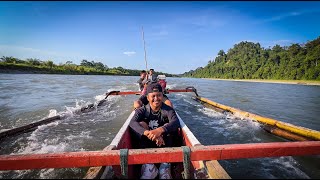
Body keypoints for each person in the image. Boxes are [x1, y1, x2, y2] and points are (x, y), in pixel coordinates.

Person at [129, 83, 181, 179]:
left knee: (168, 126)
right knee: (141, 125)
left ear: (162, 96)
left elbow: (176, 122)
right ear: (147, 98)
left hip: (165, 144)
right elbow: (132, 123)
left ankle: (165, 165)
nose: (156, 99)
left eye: (159, 95)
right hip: (148, 144)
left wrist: (160, 130)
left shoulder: (168, 110)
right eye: (153, 96)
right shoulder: (142, 110)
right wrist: (149, 133)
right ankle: (149, 166)